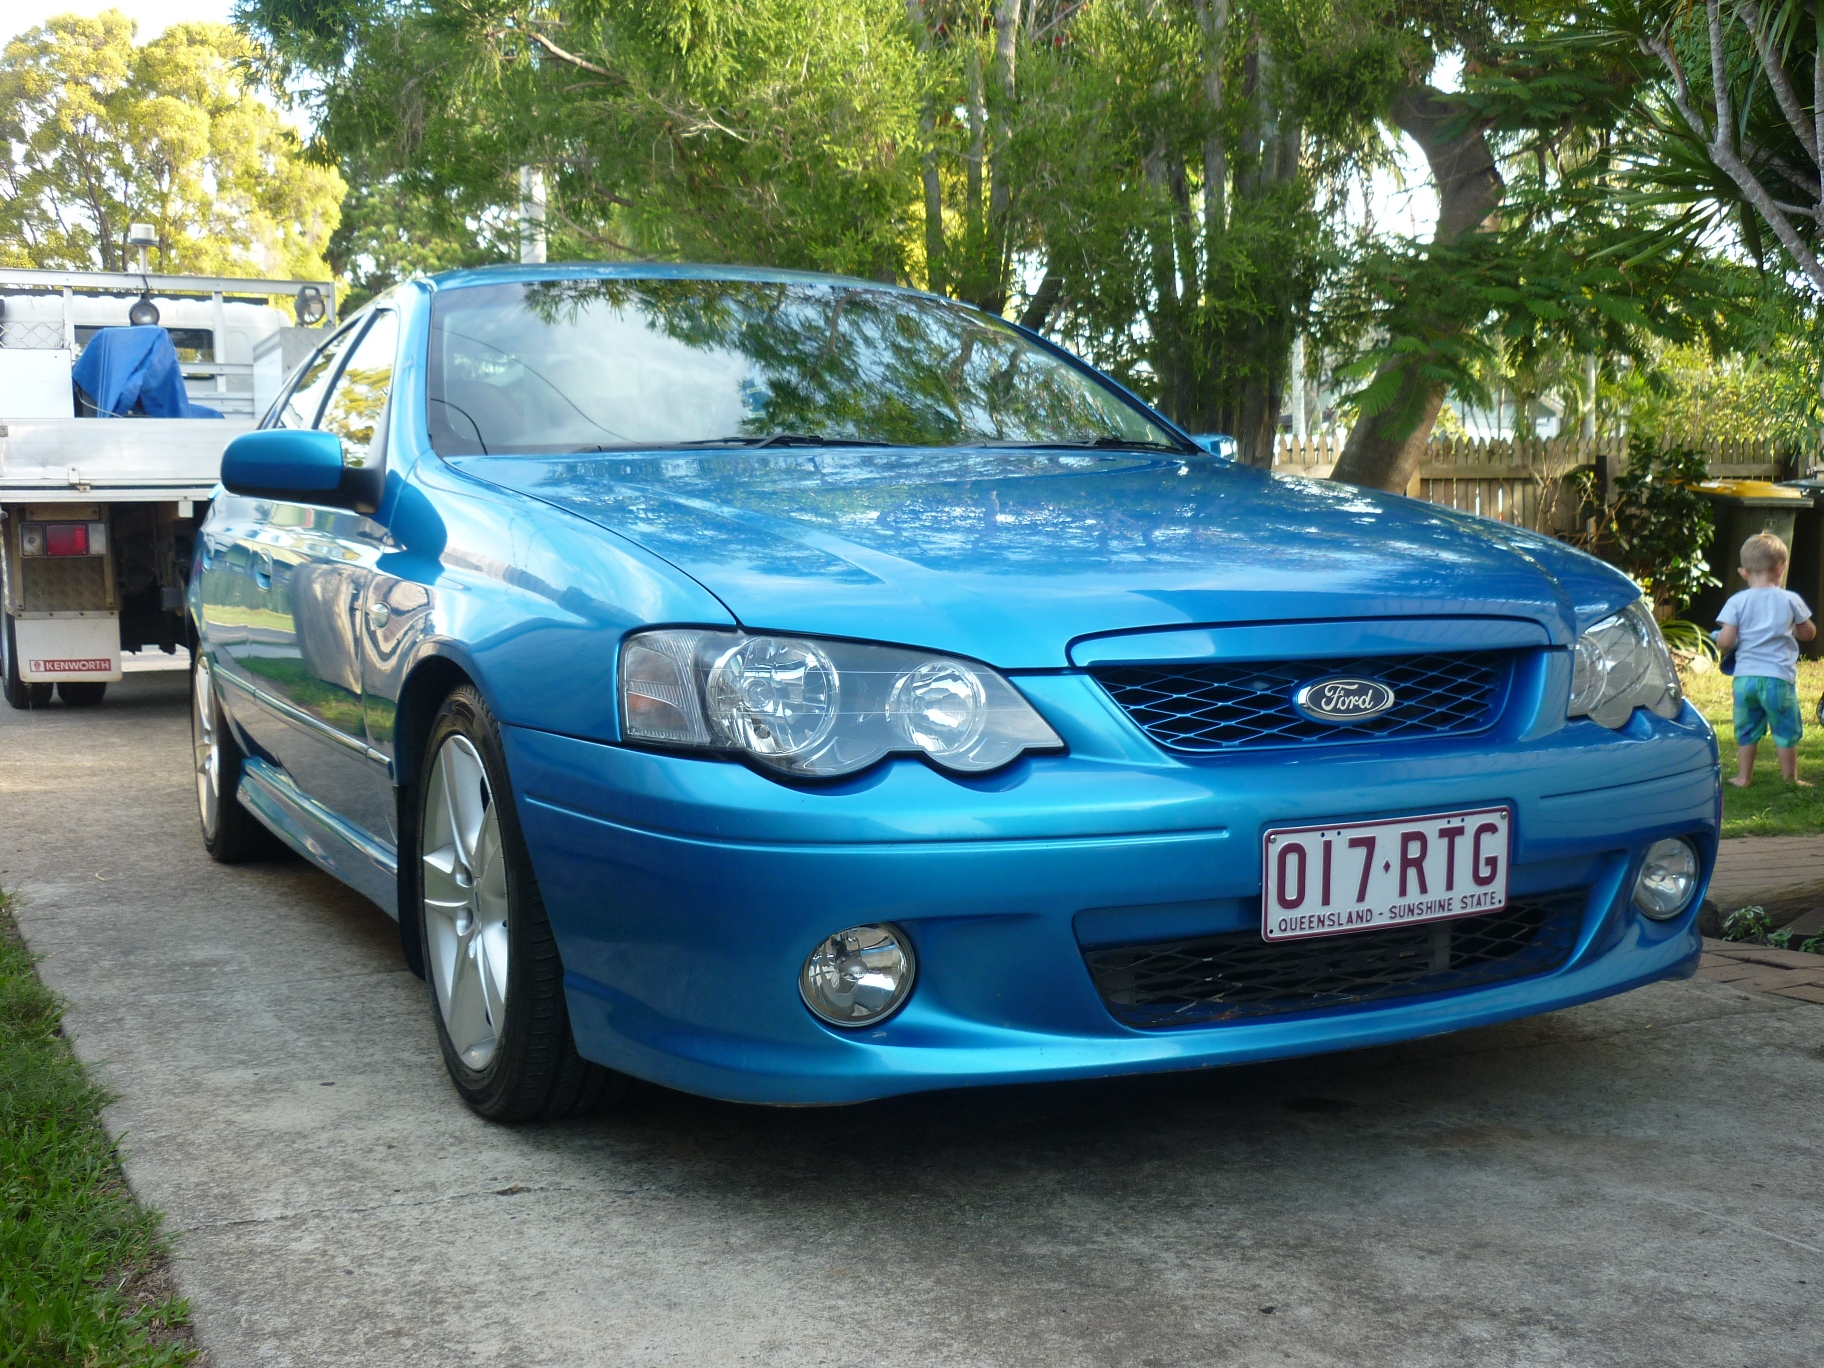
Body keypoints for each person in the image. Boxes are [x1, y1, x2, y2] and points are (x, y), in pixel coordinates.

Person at [1715, 531, 1816, 787]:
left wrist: (1722, 642)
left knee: (1746, 729)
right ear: (1781, 568)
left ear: (1743, 572)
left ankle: (1743, 777)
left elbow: (1726, 641)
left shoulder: (1737, 601)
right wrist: (1795, 627)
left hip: (1745, 679)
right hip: (1778, 679)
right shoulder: (1790, 599)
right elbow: (1809, 633)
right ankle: (1790, 779)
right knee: (1785, 729)